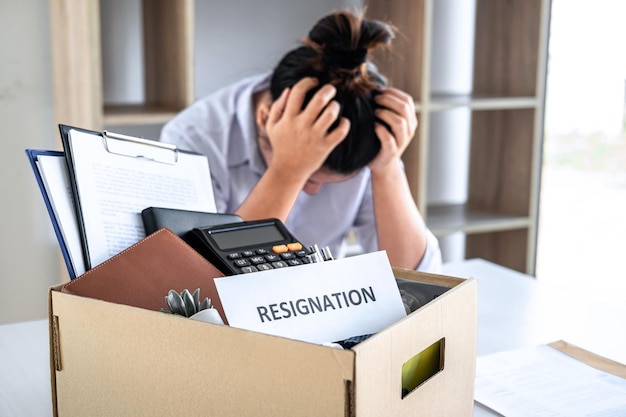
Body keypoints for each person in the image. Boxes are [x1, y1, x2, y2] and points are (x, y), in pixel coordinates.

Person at [160, 9, 441, 272]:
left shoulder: (359, 137)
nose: (313, 192)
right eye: (309, 177)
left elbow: (416, 278)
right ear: (265, 118)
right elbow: (199, 279)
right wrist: (288, 171)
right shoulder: (191, 139)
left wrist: (388, 169)